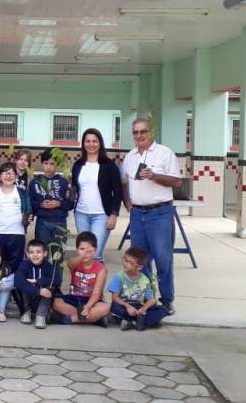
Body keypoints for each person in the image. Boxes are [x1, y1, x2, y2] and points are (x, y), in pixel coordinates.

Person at [121, 117, 182, 316]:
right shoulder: (130, 156)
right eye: (136, 132)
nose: (139, 135)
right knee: (140, 260)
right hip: (137, 214)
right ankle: (148, 298)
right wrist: (126, 200)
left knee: (163, 259)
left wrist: (154, 175)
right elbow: (125, 181)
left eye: (143, 131)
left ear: (151, 133)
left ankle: (166, 300)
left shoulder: (165, 153)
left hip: (160, 213)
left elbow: (177, 182)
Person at [71, 128, 122, 262]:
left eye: (94, 141)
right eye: (88, 141)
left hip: (101, 215)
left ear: (100, 143)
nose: (91, 144)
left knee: (95, 254)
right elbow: (75, 188)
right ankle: (84, 283)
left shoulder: (109, 165)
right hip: (81, 214)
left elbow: (118, 191)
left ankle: (97, 283)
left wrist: (114, 214)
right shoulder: (78, 165)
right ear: (83, 143)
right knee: (84, 255)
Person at [52, 231, 109, 327]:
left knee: (106, 308)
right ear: (77, 250)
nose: (85, 253)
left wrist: (87, 307)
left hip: (91, 300)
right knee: (56, 303)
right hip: (74, 298)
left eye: (89, 250)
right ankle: (93, 319)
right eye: (82, 249)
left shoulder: (101, 269)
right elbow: (71, 264)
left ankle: (69, 319)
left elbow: (96, 294)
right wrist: (82, 255)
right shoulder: (74, 262)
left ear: (95, 250)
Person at [108, 246, 167, 331]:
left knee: (163, 310)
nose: (125, 263)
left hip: (139, 306)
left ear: (139, 267)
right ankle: (142, 322)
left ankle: (131, 322)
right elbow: (114, 297)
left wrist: (143, 309)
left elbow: (151, 299)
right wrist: (127, 306)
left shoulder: (145, 280)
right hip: (124, 305)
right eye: (125, 260)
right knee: (114, 307)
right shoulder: (119, 276)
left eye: (130, 262)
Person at [29, 149, 74, 247]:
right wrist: (41, 204)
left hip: (60, 222)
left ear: (57, 164)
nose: (48, 167)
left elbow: (71, 204)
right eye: (46, 163)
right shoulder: (35, 182)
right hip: (42, 222)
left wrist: (60, 203)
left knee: (58, 255)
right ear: (42, 164)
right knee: (41, 253)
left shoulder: (64, 182)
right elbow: (30, 203)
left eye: (52, 164)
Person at [15, 239, 61, 329]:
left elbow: (57, 280)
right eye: (31, 252)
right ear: (27, 254)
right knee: (24, 284)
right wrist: (38, 291)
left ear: (45, 253)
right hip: (28, 299)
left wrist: (38, 281)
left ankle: (41, 316)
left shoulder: (49, 266)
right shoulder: (24, 264)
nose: (35, 255)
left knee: (50, 287)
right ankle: (26, 312)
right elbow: (18, 281)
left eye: (38, 252)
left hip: (42, 301)